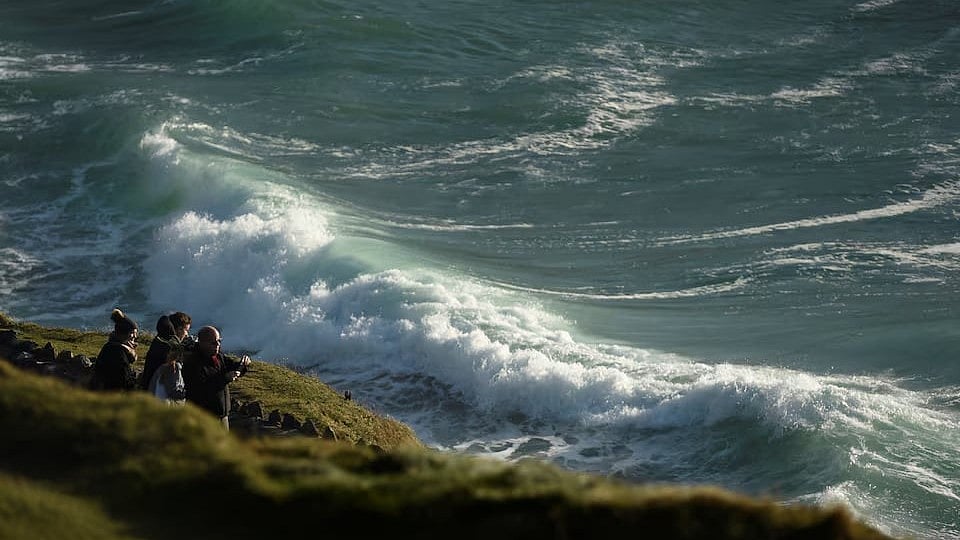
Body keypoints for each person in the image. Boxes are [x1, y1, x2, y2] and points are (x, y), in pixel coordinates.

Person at [181, 326, 251, 429]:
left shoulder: (217, 356)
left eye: (219, 341)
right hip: (204, 418)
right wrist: (225, 379)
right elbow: (200, 389)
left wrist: (243, 364)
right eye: (214, 343)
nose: (218, 345)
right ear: (202, 343)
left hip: (222, 415)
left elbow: (232, 366)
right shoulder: (193, 362)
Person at [140, 312, 192, 390]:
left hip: (149, 387)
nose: (187, 334)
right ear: (179, 329)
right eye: (186, 330)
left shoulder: (160, 341)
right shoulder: (170, 347)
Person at [91, 308, 139, 391]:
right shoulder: (119, 354)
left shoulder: (109, 346)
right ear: (125, 334)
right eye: (133, 333)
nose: (135, 336)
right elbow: (124, 381)